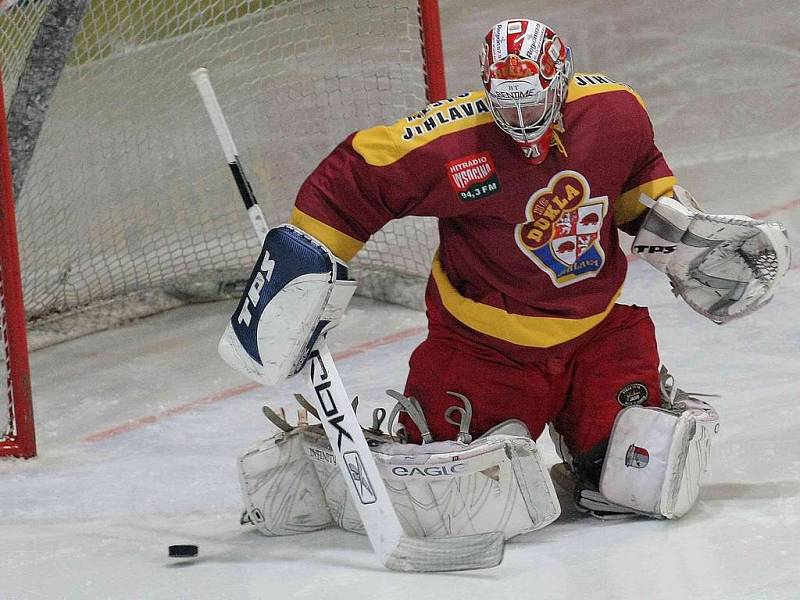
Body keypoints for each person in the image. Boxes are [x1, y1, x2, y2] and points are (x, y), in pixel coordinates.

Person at [222, 19, 790, 537]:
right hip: (484, 350)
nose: (520, 121)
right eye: (507, 106)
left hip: (597, 337)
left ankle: (589, 444)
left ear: (560, 81)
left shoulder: (616, 113)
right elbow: (349, 183)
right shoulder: (452, 145)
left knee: (653, 470)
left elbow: (635, 180)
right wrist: (306, 264)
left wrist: (681, 236)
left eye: (532, 104)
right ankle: (316, 465)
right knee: (452, 502)